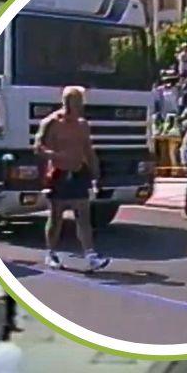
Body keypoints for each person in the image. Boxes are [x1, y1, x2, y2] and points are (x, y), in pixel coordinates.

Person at [34, 86, 110, 271]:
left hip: (78, 173)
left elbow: (88, 150)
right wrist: (56, 155)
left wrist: (96, 172)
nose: (72, 106)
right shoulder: (51, 122)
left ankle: (91, 255)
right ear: (63, 102)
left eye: (76, 102)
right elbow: (38, 147)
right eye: (69, 101)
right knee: (56, 217)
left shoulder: (82, 124)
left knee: (83, 216)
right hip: (58, 174)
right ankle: (51, 252)